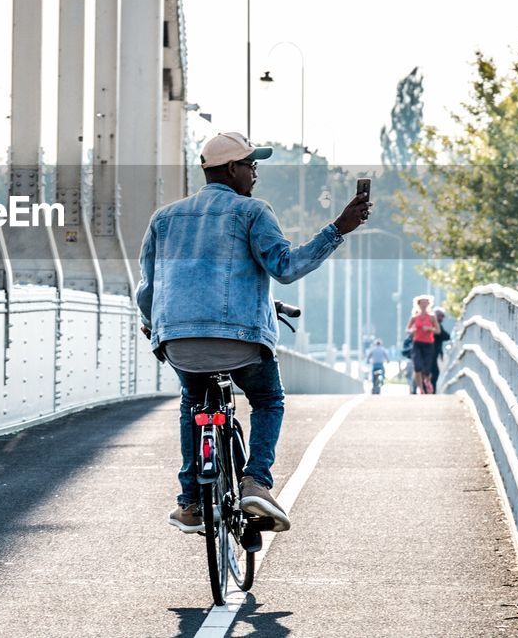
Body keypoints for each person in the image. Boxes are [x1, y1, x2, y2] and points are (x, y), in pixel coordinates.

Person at [136, 132, 371, 534]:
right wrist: (338, 229)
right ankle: (256, 480)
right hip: (240, 342)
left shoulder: (164, 219)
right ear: (232, 170)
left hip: (178, 342)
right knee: (267, 400)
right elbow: (286, 268)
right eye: (251, 165)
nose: (255, 174)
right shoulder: (252, 212)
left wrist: (154, 325)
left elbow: (148, 290)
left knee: (193, 401)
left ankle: (191, 501)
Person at [407, 295, 438, 394]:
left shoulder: (432, 317)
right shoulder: (414, 317)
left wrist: (429, 329)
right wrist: (412, 330)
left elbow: (438, 330)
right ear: (418, 304)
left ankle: (427, 381)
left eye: (426, 303)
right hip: (417, 343)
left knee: (427, 369)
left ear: (429, 304)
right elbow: (407, 329)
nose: (424, 305)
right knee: (417, 367)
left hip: (428, 344)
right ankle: (420, 388)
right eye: (422, 303)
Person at [432, 308, 451, 390]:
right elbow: (445, 336)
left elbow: (446, 336)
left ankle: (431, 390)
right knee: (432, 371)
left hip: (435, 353)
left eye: (443, 316)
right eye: (440, 316)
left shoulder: (439, 326)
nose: (442, 318)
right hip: (428, 352)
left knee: (434, 372)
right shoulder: (433, 325)